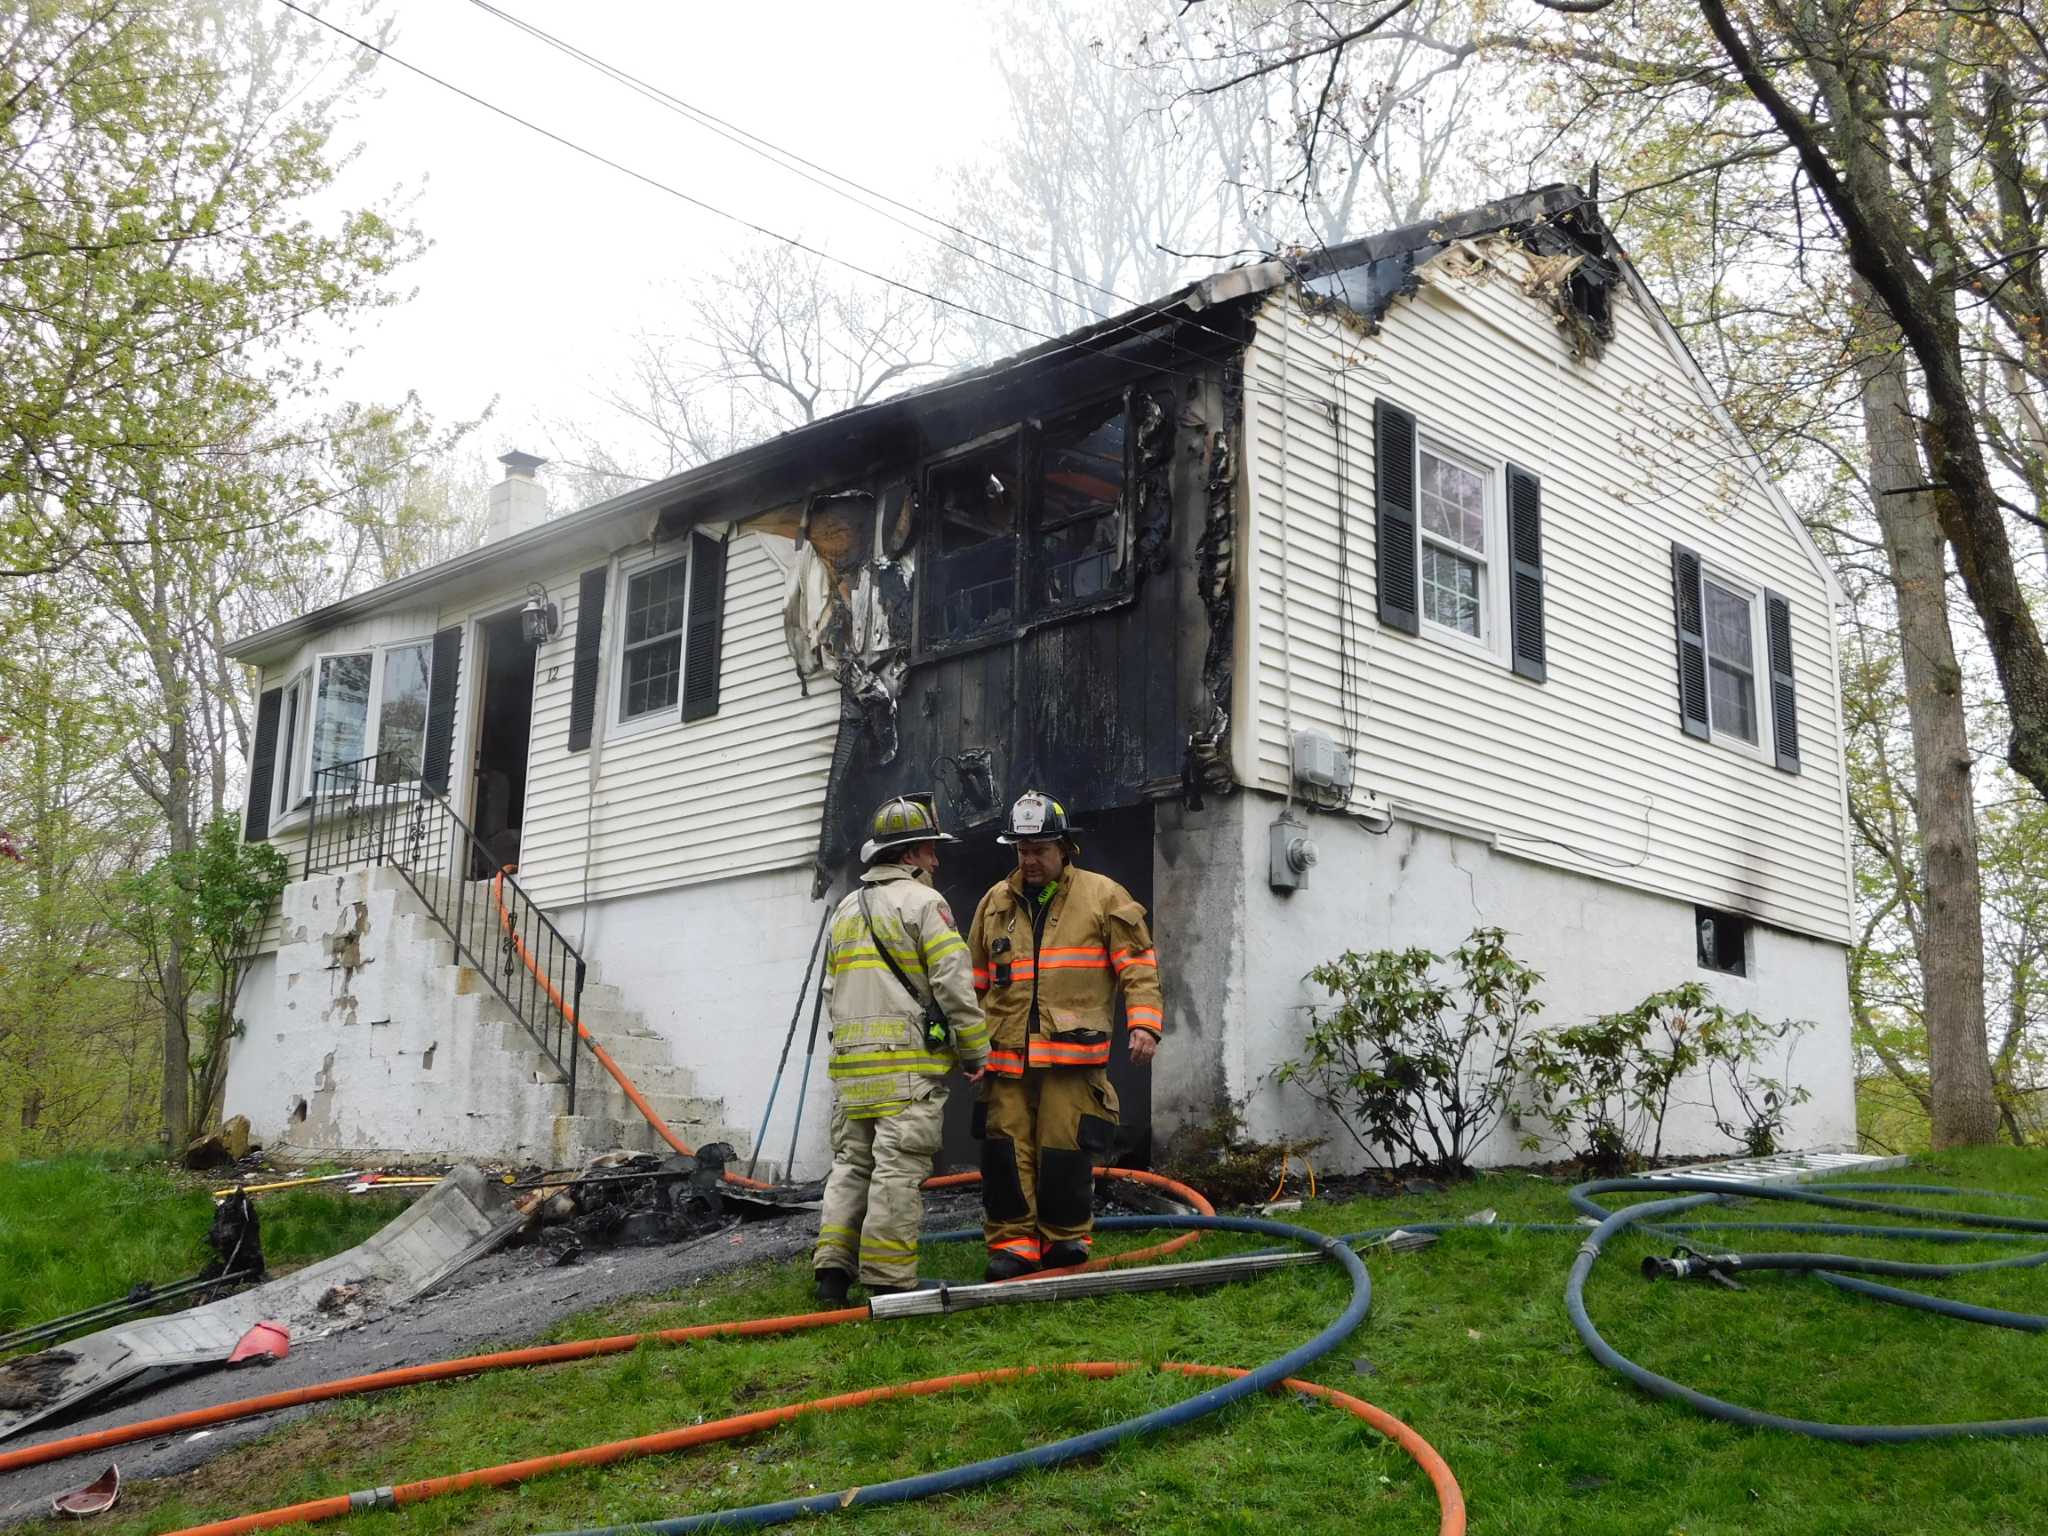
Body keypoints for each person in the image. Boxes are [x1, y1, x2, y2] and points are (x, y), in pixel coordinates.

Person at [966, 790, 1163, 1280]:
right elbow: (972, 983)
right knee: (1005, 1150)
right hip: (1006, 1057)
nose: (1029, 860)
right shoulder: (995, 903)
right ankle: (1013, 1245)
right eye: (1021, 850)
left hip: (1072, 1057)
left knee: (1065, 1149)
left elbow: (1137, 966)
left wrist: (1144, 1023)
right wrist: (968, 1047)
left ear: (1064, 849)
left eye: (1039, 850)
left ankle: (1064, 1241)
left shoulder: (1103, 896)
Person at [812, 794, 988, 1301]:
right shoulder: (926, 904)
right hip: (906, 1072)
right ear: (911, 855)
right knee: (896, 1170)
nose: (936, 861)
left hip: (850, 1072)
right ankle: (890, 1282)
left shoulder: (846, 909)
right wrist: (975, 1053)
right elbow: (954, 984)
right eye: (931, 851)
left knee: (851, 1165)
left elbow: (831, 992)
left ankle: (832, 1272)